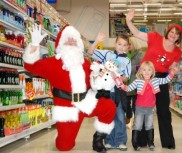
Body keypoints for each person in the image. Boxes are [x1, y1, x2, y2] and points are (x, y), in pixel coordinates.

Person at [23, 24, 116, 153]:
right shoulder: (52, 63)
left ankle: (98, 139)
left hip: (86, 102)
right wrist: (34, 45)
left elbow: (94, 81)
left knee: (109, 106)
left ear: (79, 43)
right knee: (64, 146)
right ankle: (62, 135)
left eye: (74, 39)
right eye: (68, 39)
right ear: (61, 44)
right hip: (66, 107)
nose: (71, 42)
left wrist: (106, 76)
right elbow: (30, 66)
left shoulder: (85, 63)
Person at [126, 9, 182, 149]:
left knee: (164, 110)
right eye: (172, 32)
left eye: (177, 34)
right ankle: (141, 141)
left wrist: (174, 71)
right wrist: (128, 20)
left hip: (161, 79)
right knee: (142, 108)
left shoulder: (177, 52)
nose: (173, 35)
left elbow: (172, 67)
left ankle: (168, 142)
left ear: (179, 37)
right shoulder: (154, 37)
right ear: (167, 31)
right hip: (145, 77)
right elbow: (137, 33)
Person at [112, 61, 179, 151]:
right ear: (140, 72)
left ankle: (150, 143)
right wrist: (119, 82)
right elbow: (128, 88)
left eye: (149, 70)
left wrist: (172, 73)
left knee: (149, 125)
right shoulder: (138, 81)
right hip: (139, 108)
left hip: (150, 108)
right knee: (138, 126)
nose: (146, 72)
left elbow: (166, 80)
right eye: (144, 70)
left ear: (152, 72)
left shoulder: (156, 80)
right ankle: (135, 143)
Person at [88, 32, 131, 151]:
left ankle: (121, 141)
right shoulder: (107, 54)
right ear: (115, 43)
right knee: (107, 117)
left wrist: (117, 77)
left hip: (118, 92)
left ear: (128, 47)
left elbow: (126, 77)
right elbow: (90, 52)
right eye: (119, 44)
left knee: (120, 117)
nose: (121, 47)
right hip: (105, 92)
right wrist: (96, 41)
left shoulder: (127, 61)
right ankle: (108, 141)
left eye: (124, 45)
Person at [125, 37, 145, 124]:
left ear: (134, 44)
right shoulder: (125, 54)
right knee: (125, 103)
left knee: (135, 105)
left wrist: (128, 68)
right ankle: (128, 115)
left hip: (136, 83)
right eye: (127, 44)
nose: (128, 46)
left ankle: (137, 121)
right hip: (126, 82)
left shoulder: (140, 54)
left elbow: (141, 67)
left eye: (130, 44)